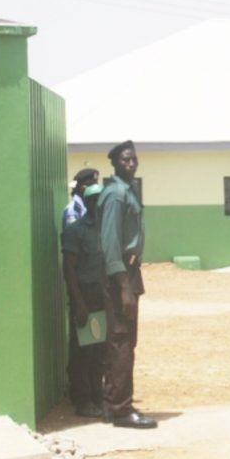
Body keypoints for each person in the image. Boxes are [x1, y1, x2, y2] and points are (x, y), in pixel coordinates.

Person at [98, 141, 157, 429]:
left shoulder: (127, 191)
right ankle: (121, 409)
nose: (131, 164)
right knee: (121, 340)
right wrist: (123, 286)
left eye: (134, 159)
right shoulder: (116, 194)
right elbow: (110, 243)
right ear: (115, 163)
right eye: (125, 160)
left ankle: (112, 402)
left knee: (124, 340)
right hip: (120, 274)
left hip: (129, 271)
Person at [60, 183, 107, 418]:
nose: (98, 203)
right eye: (94, 199)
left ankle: (98, 397)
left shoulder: (107, 229)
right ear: (87, 202)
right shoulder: (75, 230)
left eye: (101, 199)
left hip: (103, 297)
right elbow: (69, 268)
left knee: (100, 352)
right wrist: (78, 303)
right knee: (83, 353)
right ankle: (82, 400)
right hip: (85, 297)